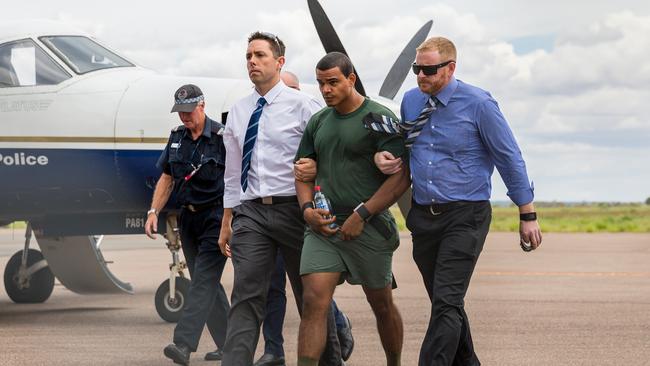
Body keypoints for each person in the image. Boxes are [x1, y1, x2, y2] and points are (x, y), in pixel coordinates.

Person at [374, 36, 543, 366]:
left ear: (450, 68)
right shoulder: (411, 101)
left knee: (447, 301)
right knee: (444, 302)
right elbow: (404, 147)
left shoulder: (479, 104)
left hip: (466, 215)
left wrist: (528, 213)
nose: (421, 76)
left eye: (429, 70)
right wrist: (384, 157)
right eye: (416, 70)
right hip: (423, 217)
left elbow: (509, 157)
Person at [218, 31, 343, 366]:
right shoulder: (239, 111)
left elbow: (328, 154)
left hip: (295, 210)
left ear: (279, 62)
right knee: (245, 297)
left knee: (311, 300)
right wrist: (227, 220)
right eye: (248, 56)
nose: (252, 62)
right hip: (252, 213)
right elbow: (232, 173)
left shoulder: (305, 106)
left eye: (260, 55)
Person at [294, 51, 410, 366]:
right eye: (320, 84)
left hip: (369, 228)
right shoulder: (318, 122)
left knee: (382, 304)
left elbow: (401, 178)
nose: (326, 90)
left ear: (351, 79)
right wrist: (307, 210)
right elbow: (302, 171)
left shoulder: (378, 118)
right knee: (313, 302)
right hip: (323, 229)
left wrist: (363, 213)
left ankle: (394, 362)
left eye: (333, 82)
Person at [255, 71, 354, 366]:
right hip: (271, 213)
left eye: (293, 89)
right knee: (270, 286)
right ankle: (273, 349)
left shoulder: (316, 118)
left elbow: (337, 160)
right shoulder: (263, 119)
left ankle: (337, 328)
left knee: (311, 290)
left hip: (305, 213)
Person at [144, 84, 230, 366]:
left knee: (202, 283)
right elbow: (167, 178)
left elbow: (238, 179)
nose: (184, 117)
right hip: (188, 219)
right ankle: (230, 346)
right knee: (208, 284)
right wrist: (154, 211)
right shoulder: (177, 138)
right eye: (180, 112)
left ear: (202, 105)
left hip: (216, 218)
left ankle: (183, 343)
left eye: (189, 111)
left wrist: (233, 219)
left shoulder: (222, 137)